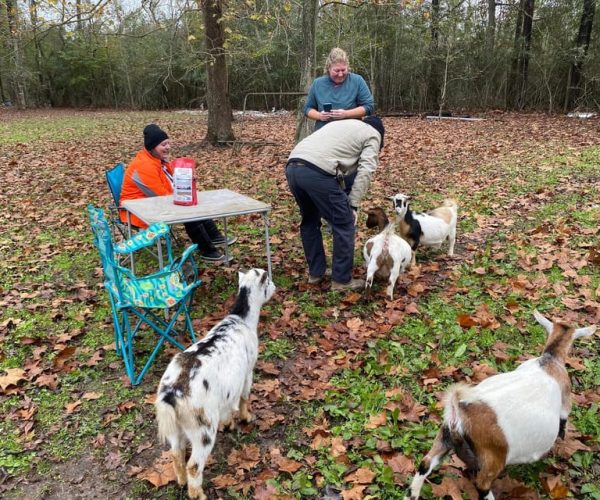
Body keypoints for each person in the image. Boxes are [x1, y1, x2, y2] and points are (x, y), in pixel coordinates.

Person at [285, 116, 385, 291]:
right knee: (345, 223)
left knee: (309, 221)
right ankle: (341, 280)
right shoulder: (373, 134)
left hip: (293, 166)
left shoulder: (343, 125)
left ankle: (316, 273)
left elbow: (336, 166)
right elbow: (366, 170)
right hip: (317, 172)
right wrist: (353, 205)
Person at [120, 124, 236, 262]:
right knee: (186, 211)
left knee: (192, 202)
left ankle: (214, 237)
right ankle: (207, 251)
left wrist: (187, 182)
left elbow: (173, 182)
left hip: (151, 202)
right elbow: (161, 195)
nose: (168, 147)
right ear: (152, 147)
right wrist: (183, 196)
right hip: (137, 209)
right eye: (163, 144)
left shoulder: (157, 160)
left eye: (168, 143)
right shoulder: (144, 166)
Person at [304, 48, 375, 132]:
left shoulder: (357, 81)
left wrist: (346, 114)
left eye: (343, 70)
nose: (340, 74)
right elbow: (307, 109)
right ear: (329, 68)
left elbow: (369, 107)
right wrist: (319, 115)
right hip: (324, 134)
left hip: (351, 133)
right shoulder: (318, 83)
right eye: (336, 71)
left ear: (347, 67)